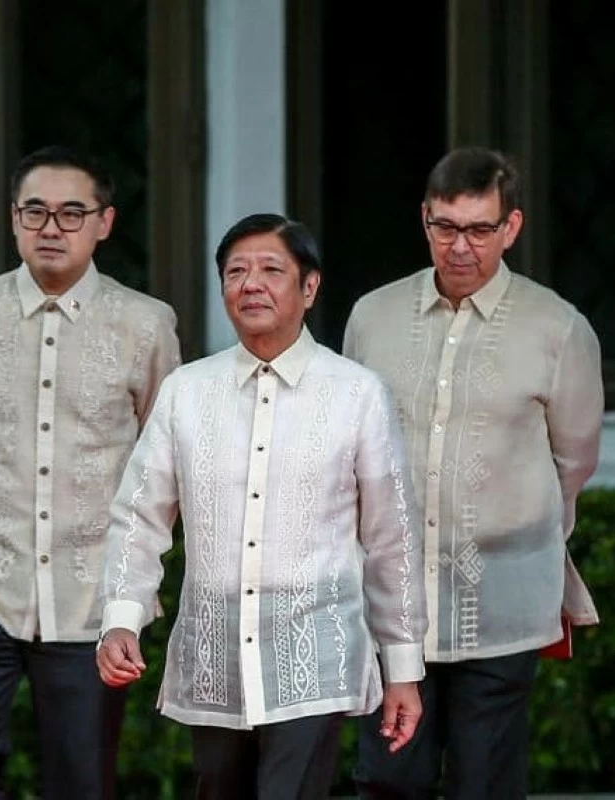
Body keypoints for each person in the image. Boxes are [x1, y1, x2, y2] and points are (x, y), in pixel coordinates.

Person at [0, 144, 181, 800]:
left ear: (105, 222)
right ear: (13, 219)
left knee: (83, 776)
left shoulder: (146, 325)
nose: (52, 227)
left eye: (73, 212)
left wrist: (136, 594)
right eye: (36, 211)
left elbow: (164, 470)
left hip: (91, 593)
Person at [96, 213, 427, 800]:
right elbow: (140, 514)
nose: (251, 284)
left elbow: (391, 538)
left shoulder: (356, 393)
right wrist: (122, 617)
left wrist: (402, 667)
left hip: (313, 656)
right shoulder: (187, 391)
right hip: (215, 657)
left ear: (309, 287)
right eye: (236, 272)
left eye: (271, 270)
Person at [344, 146, 605, 799]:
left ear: (511, 227)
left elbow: (573, 461)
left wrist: (505, 524)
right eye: (445, 227)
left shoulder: (559, 329)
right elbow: (349, 448)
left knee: (485, 783)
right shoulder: (371, 317)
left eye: (480, 230)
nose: (461, 247)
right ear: (424, 220)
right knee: (389, 780)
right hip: (391, 602)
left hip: (503, 602)